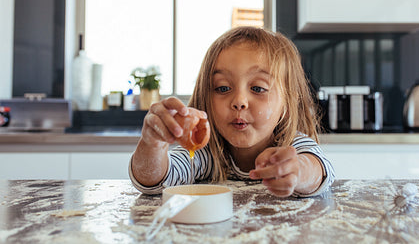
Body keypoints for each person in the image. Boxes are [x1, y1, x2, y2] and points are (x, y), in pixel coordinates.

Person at [129, 27, 335, 197]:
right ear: (206, 99)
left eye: (258, 88)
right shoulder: (206, 154)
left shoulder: (293, 146)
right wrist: (152, 144)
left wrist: (296, 171)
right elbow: (155, 181)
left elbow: (318, 170)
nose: (239, 102)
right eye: (223, 88)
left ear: (288, 102)